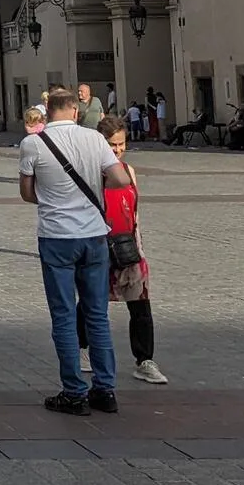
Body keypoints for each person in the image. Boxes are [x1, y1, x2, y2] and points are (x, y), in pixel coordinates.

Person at [19, 86, 131, 415]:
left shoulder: (31, 143)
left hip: (56, 237)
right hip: (94, 235)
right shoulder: (95, 140)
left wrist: (54, 200)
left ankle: (73, 391)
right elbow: (121, 180)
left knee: (64, 315)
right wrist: (95, 189)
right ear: (75, 111)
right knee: (97, 315)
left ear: (47, 112)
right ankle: (105, 389)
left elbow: (27, 192)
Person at [82, 117, 166, 384]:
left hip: (128, 246)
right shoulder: (90, 172)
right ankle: (83, 349)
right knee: (90, 303)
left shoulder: (128, 171)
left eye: (121, 144)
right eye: (111, 144)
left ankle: (145, 360)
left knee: (140, 304)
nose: (117, 150)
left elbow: (135, 213)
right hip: (98, 245)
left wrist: (139, 248)